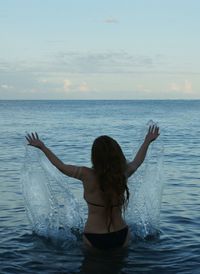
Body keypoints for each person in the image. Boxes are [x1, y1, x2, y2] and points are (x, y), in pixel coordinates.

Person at [25, 125, 159, 250]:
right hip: (122, 234)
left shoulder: (86, 174)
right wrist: (147, 141)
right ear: (117, 154)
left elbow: (61, 166)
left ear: (95, 157)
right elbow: (137, 161)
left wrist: (43, 147)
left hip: (94, 236)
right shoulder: (122, 173)